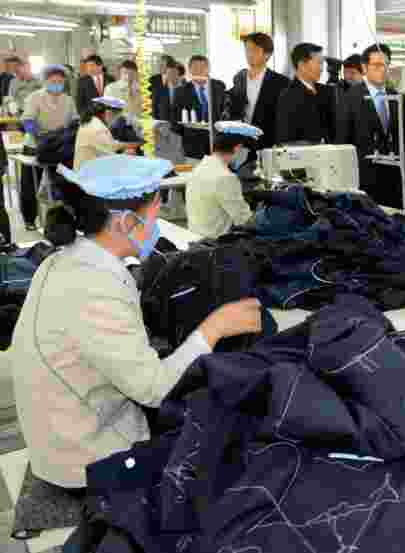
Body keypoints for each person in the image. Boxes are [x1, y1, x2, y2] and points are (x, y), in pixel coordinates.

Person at [9, 155, 262, 490]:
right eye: (155, 215)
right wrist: (216, 326)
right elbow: (156, 390)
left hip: (68, 430)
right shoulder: (95, 288)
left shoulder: (64, 261)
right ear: (125, 222)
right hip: (87, 457)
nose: (158, 227)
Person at [335, 43, 405, 210]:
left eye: (386, 65)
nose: (383, 70)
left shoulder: (397, 97)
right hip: (364, 179)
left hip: (394, 179)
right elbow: (343, 141)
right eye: (377, 65)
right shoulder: (349, 98)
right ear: (364, 67)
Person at [21, 65, 79, 231]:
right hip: (35, 146)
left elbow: (74, 120)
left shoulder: (68, 100)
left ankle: (63, 220)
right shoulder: (34, 97)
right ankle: (29, 219)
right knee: (30, 184)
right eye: (53, 81)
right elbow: (28, 121)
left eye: (60, 82)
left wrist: (70, 132)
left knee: (63, 183)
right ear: (45, 81)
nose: (57, 85)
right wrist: (39, 134)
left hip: (59, 147)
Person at [186, 122, 259, 238]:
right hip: (214, 244)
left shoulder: (200, 167)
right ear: (238, 148)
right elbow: (243, 219)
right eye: (245, 151)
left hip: (195, 235)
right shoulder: (226, 177)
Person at [227, 32, 289, 154]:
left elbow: (284, 120)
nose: (249, 54)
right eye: (247, 50)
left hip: (269, 147)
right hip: (241, 146)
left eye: (254, 50)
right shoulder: (239, 79)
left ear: (267, 54)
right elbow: (234, 110)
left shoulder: (281, 83)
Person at [171, 55, 227, 160]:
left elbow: (225, 111)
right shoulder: (181, 91)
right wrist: (188, 134)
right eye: (195, 67)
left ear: (208, 68)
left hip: (217, 143)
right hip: (193, 145)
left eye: (203, 67)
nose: (199, 71)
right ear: (189, 69)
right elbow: (175, 120)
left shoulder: (219, 86)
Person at [277, 42, 333, 145]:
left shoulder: (327, 91)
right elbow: (285, 140)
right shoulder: (288, 96)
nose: (321, 69)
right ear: (301, 64)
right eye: (319, 63)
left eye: (322, 63)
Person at [74, 97, 137, 170]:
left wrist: (130, 144)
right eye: (117, 115)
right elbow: (110, 161)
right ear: (107, 113)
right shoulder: (98, 129)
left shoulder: (91, 122)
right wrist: (127, 155)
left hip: (87, 171)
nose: (116, 120)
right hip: (90, 177)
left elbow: (110, 144)